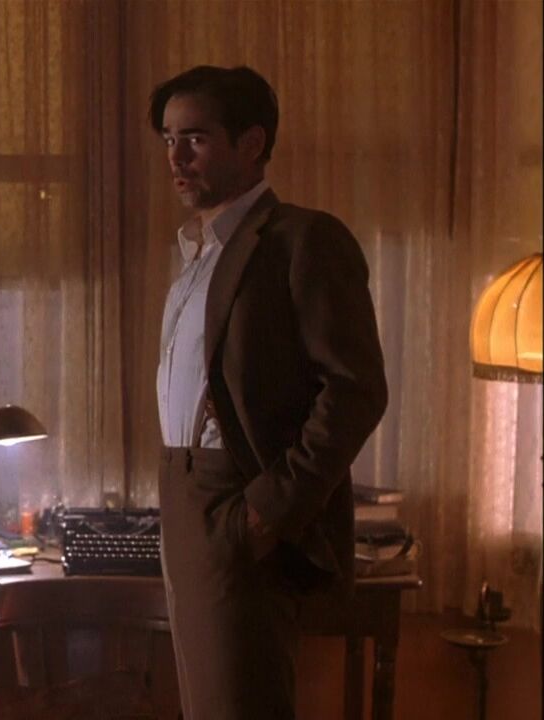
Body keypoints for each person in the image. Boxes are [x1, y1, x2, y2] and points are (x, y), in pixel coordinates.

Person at [150, 65, 387, 719]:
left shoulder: (302, 239)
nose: (176, 157)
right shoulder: (196, 258)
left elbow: (356, 389)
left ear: (251, 143)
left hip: (238, 502)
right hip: (182, 499)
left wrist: (268, 511)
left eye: (195, 138)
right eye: (168, 139)